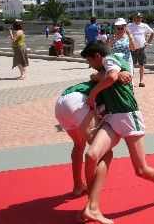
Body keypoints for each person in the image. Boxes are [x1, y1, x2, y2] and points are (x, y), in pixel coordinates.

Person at [80, 41, 154, 223]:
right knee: (92, 155)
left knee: (141, 170)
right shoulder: (111, 65)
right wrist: (102, 76)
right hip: (112, 118)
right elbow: (103, 75)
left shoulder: (110, 59)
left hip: (128, 117)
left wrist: (94, 93)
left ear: (98, 56)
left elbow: (109, 76)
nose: (90, 65)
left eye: (90, 60)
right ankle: (92, 206)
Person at [55, 72, 132, 224]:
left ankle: (78, 186)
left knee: (79, 144)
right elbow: (105, 76)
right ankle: (93, 206)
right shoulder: (112, 82)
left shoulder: (103, 77)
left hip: (61, 103)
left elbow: (94, 76)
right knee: (105, 153)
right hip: (78, 103)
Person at [128, 12, 154, 87]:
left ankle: (141, 81)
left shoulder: (144, 26)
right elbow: (124, 33)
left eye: (140, 18)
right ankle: (131, 81)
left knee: (142, 64)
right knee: (131, 65)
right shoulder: (129, 25)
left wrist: (148, 42)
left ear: (141, 18)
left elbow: (152, 33)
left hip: (141, 48)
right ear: (134, 18)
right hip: (131, 48)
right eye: (137, 17)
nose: (138, 19)